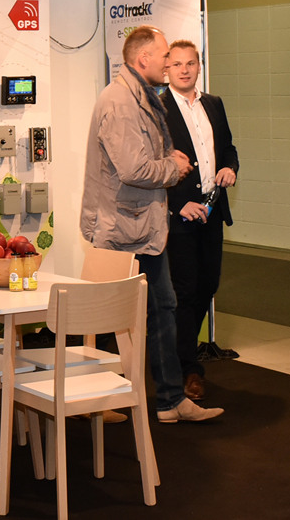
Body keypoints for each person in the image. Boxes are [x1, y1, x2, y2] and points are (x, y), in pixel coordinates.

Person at [81, 25, 223, 423]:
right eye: (164, 56)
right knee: (111, 317)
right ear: (144, 59)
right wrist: (173, 167)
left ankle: (170, 400)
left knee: (163, 308)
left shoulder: (139, 96)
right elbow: (133, 169)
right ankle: (95, 400)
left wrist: (166, 160)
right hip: (121, 228)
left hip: (142, 227)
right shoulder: (120, 103)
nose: (170, 63)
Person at [160, 40, 238, 402]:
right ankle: (187, 368)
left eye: (190, 63)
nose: (184, 70)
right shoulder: (158, 110)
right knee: (185, 291)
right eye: (177, 64)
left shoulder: (214, 104)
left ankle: (180, 354)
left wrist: (230, 168)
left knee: (209, 285)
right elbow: (152, 166)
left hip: (212, 211)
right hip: (179, 216)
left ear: (199, 66)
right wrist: (178, 204)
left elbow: (228, 148)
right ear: (166, 70)